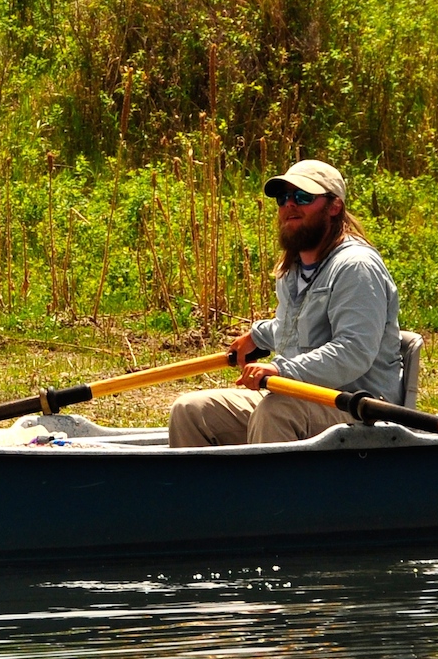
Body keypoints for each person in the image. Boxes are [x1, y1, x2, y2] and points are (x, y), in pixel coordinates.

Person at [169, 160, 402, 447]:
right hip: (300, 396)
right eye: (284, 198)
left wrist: (282, 370)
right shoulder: (293, 267)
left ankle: (269, 493)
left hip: (358, 407)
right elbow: (295, 328)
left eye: (303, 197)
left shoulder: (356, 267)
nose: (290, 205)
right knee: (191, 411)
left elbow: (353, 351)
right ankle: (206, 493)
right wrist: (257, 336)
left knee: (275, 413)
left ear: (334, 207)